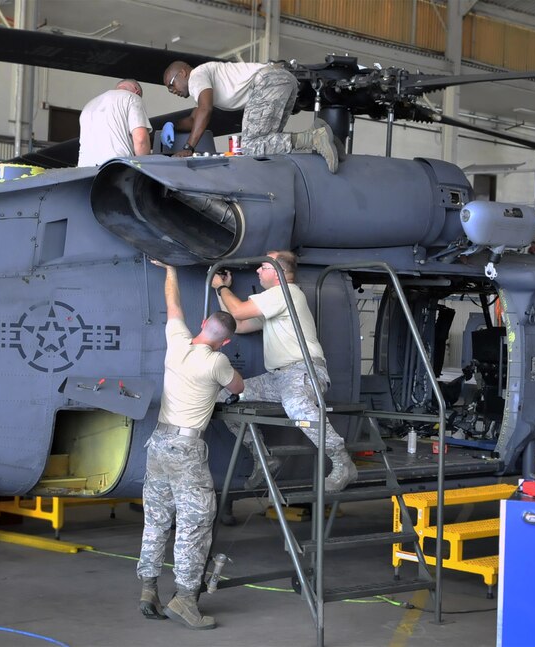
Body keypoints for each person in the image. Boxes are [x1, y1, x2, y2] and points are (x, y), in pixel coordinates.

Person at [138, 259, 244, 631]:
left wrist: (170, 271)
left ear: (202, 326)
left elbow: (173, 306)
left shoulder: (177, 341)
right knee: (195, 523)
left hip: (158, 443)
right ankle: (184, 599)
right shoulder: (217, 361)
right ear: (226, 341)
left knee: (156, 520)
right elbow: (238, 388)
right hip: (185, 449)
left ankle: (148, 589)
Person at [211, 251, 357, 492]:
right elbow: (239, 325)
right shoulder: (274, 301)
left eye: (263, 267)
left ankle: (342, 462)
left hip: (305, 372)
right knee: (224, 397)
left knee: (296, 403)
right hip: (278, 378)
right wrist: (222, 292)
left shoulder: (285, 293)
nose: (258, 270)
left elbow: (237, 312)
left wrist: (221, 288)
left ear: (279, 273)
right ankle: (263, 458)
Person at [162, 60, 340, 171]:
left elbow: (205, 110)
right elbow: (195, 119)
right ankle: (322, 134)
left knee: (249, 146)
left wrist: (189, 147)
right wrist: (171, 125)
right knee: (267, 142)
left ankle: (314, 139)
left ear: (182, 73)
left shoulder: (196, 76)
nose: (172, 91)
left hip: (268, 82)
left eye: (171, 85)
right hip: (285, 80)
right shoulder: (202, 80)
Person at [77, 79, 152, 167]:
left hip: (84, 169)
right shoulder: (132, 97)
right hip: (115, 169)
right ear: (137, 91)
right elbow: (141, 140)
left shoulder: (89, 105)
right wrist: (145, 168)